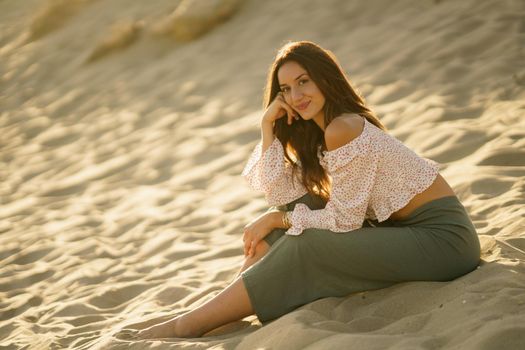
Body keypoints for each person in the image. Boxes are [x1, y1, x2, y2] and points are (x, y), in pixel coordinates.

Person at [135, 40, 481, 339]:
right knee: (304, 205)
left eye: (303, 82)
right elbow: (283, 196)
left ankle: (191, 325)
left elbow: (343, 221)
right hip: (407, 234)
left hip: (445, 243)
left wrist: (277, 219)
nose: (296, 96)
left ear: (324, 78)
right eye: (286, 89)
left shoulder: (342, 128)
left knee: (306, 240)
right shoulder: (321, 135)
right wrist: (267, 127)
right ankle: (224, 305)